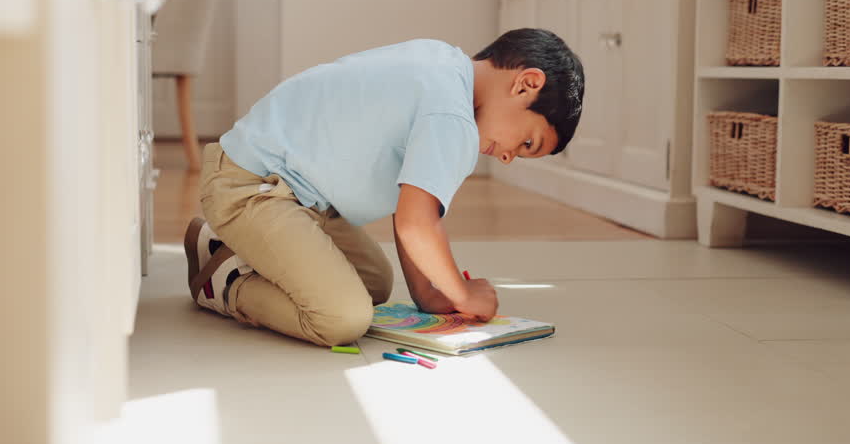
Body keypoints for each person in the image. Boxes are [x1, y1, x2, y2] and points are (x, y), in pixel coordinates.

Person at [183, 28, 584, 347]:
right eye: (527, 143)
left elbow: (409, 207)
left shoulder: (441, 64)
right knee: (343, 318)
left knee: (375, 283)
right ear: (526, 84)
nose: (510, 156)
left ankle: (221, 241)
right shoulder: (453, 117)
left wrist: (428, 295)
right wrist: (461, 294)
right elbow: (416, 224)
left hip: (298, 196)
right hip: (252, 186)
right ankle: (224, 281)